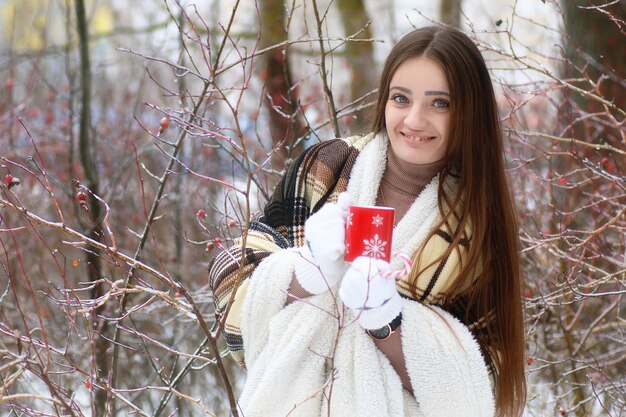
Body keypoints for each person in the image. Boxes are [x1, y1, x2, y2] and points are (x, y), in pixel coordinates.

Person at [209, 25, 526, 417]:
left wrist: (387, 322)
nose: (414, 119)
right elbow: (230, 281)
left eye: (440, 103)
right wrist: (306, 273)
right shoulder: (327, 168)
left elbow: (482, 389)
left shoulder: (475, 227)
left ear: (469, 112)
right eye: (401, 98)